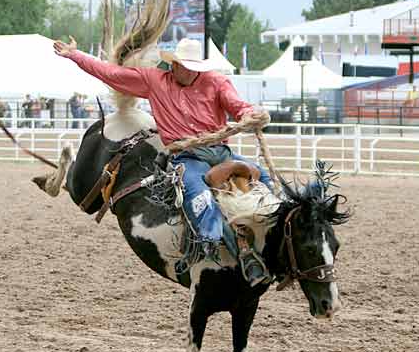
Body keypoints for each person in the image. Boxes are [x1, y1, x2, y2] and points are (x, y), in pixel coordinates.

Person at [54, 36, 272, 286]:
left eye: (194, 68)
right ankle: (217, 246)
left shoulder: (217, 82)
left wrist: (250, 114)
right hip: (188, 157)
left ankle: (276, 232)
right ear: (174, 65)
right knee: (197, 195)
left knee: (263, 177)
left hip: (221, 153)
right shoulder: (154, 81)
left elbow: (238, 106)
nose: (189, 72)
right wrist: (75, 54)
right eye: (185, 66)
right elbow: (111, 74)